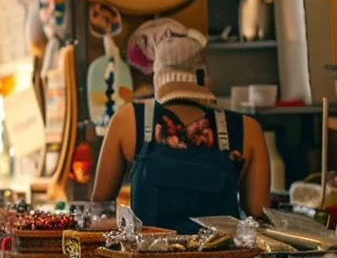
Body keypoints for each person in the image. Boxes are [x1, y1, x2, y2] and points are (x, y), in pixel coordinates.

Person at [91, 33, 270, 232]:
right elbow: (260, 218)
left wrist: (126, 228)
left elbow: (99, 209)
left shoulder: (128, 119)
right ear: (203, 76)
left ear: (157, 76)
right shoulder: (248, 129)